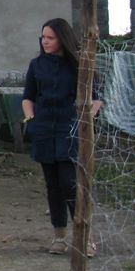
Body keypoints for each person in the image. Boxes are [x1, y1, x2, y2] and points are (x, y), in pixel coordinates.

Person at [21, 18, 102, 255]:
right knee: (53, 185)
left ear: (62, 40)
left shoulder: (79, 65)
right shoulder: (36, 65)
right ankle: (59, 237)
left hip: (70, 129)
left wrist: (86, 118)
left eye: (50, 38)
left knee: (70, 183)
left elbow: (96, 98)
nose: (45, 41)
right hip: (44, 129)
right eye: (43, 37)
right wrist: (31, 120)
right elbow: (28, 97)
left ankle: (85, 237)